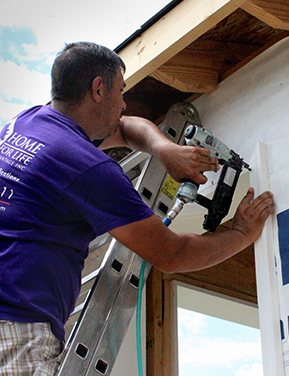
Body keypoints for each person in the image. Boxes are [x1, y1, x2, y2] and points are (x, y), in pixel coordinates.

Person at [0, 41, 274, 376]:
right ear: (98, 89)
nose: (124, 102)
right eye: (120, 90)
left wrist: (164, 149)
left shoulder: (25, 123)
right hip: (16, 332)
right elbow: (171, 254)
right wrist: (241, 232)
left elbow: (124, 126)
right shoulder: (87, 168)